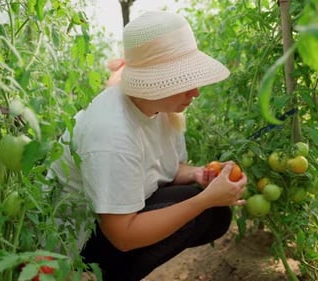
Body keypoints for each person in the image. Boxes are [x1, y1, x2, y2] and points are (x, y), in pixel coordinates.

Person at [48, 10, 247, 281]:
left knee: (215, 216)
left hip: (112, 224)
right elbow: (122, 236)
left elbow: (169, 167)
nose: (196, 92)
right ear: (157, 81)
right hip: (74, 248)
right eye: (185, 80)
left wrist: (198, 175)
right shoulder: (112, 133)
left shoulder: (161, 110)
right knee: (197, 206)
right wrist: (205, 199)